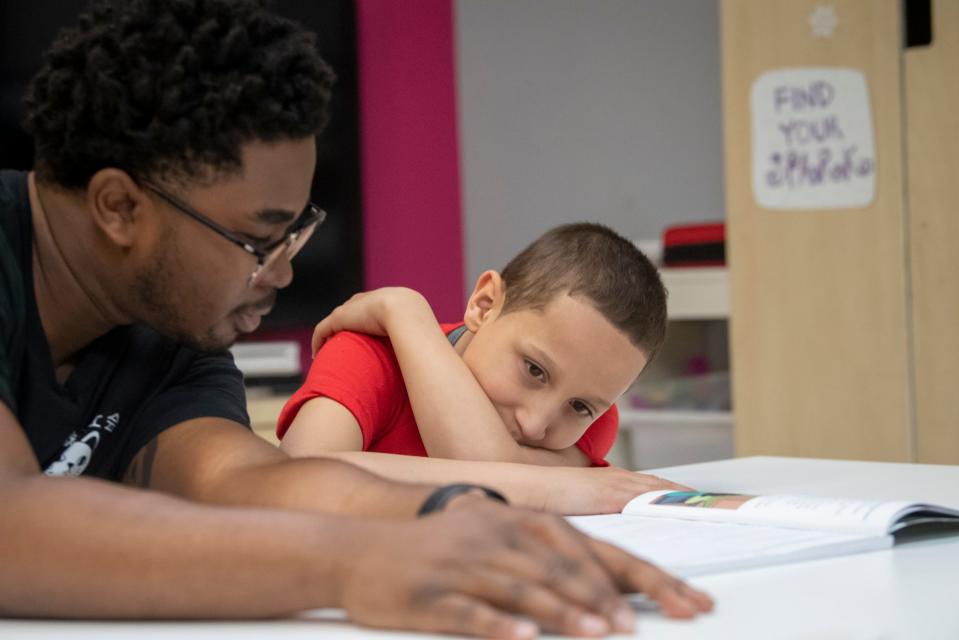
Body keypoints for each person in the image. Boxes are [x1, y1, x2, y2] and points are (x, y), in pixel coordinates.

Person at [0, 0, 713, 636]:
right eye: (259, 238)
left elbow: (248, 486)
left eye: (295, 234)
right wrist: (355, 562)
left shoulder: (176, 330)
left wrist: (461, 518)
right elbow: (13, 529)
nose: (280, 272)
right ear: (120, 208)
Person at [279, 224, 689, 514]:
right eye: (534, 370)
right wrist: (406, 313)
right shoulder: (367, 355)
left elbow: (488, 463)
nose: (535, 424)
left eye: (581, 406)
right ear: (484, 305)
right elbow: (294, 478)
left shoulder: (592, 418)